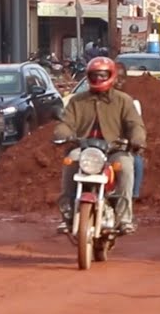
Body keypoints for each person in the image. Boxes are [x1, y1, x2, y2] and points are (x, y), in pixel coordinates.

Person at [53, 57, 146, 235]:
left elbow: (135, 124)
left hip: (114, 150)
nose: (99, 79)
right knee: (70, 161)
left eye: (103, 75)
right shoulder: (77, 101)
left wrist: (136, 139)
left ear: (111, 76)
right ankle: (67, 214)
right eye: (94, 75)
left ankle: (125, 217)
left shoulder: (123, 101)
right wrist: (63, 134)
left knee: (126, 166)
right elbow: (65, 123)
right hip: (84, 149)